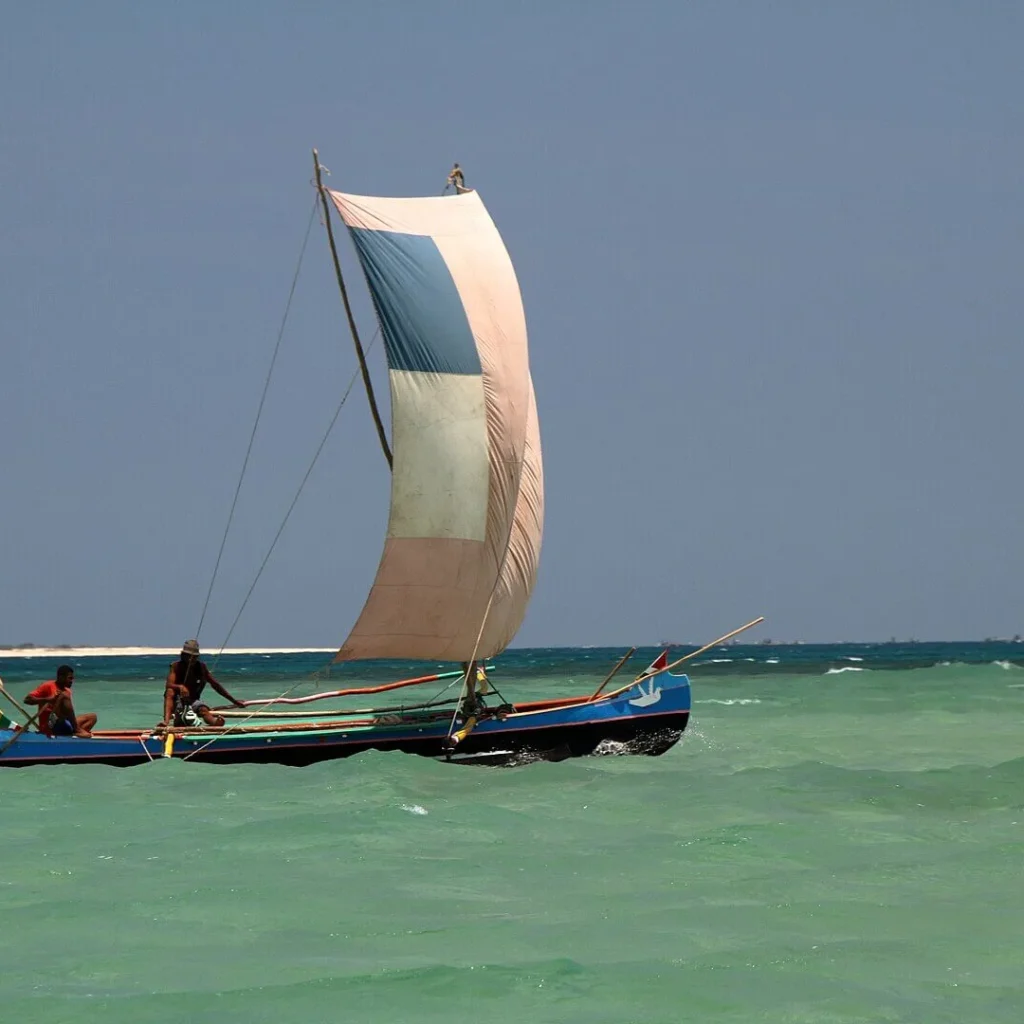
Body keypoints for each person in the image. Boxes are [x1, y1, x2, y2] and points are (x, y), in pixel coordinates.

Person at [159, 639, 244, 729]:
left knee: (203, 710)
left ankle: (215, 723)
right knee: (170, 691)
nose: (191, 659)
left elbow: (215, 685)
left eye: (194, 657)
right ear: (183, 656)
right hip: (177, 702)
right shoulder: (176, 666)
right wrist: (180, 687)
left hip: (193, 701)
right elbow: (168, 684)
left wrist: (234, 701)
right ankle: (166, 722)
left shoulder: (201, 667)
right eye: (188, 656)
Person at [24, 665, 97, 738]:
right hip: (50, 725)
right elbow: (27, 700)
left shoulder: (67, 691)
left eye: (72, 678)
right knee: (64, 696)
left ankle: (73, 734)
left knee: (92, 717)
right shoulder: (48, 686)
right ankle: (77, 730)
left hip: (63, 723)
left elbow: (68, 713)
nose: (72, 681)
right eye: (70, 678)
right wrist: (49, 699)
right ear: (61, 677)